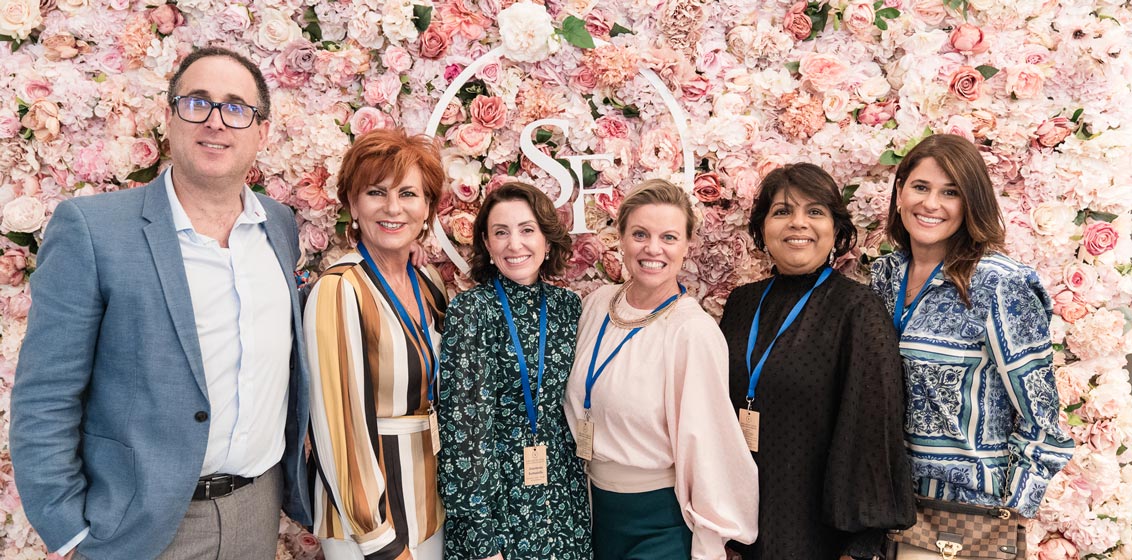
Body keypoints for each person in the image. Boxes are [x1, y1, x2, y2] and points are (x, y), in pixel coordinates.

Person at [11, 47, 310, 559]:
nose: (216, 121)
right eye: (197, 102)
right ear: (169, 118)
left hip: (256, 511)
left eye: (236, 108)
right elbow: (45, 394)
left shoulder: (278, 225)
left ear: (262, 132)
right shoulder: (93, 230)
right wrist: (69, 530)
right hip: (138, 526)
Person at [870, 134, 1074, 557]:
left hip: (963, 515)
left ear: (971, 203)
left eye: (951, 192)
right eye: (921, 187)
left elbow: (1041, 419)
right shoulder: (884, 275)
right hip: (885, 506)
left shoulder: (999, 284)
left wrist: (1009, 512)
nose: (931, 204)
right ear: (900, 191)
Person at [719, 164, 916, 559]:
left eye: (814, 211)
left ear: (835, 229)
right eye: (782, 211)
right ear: (762, 228)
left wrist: (860, 547)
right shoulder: (741, 304)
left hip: (815, 533)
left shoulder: (858, 309)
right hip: (737, 526)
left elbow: (873, 432)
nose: (798, 223)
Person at [564, 179, 759, 560]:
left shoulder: (692, 332)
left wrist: (709, 542)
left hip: (659, 523)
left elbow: (710, 447)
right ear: (621, 239)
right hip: (593, 512)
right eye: (640, 234)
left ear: (687, 246)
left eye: (668, 237)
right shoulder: (598, 304)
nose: (653, 249)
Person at [303, 128, 447, 559]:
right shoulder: (339, 289)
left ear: (427, 208)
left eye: (408, 194)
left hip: (429, 507)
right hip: (367, 526)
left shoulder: (429, 282)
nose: (392, 208)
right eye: (376, 192)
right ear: (353, 204)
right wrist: (378, 539)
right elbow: (338, 428)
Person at [438, 182, 591, 560]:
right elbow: (463, 432)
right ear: (487, 244)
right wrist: (480, 537)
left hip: (562, 501)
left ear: (546, 240)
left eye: (526, 230)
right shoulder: (471, 311)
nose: (515, 244)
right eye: (501, 232)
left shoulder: (568, 307)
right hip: (498, 508)